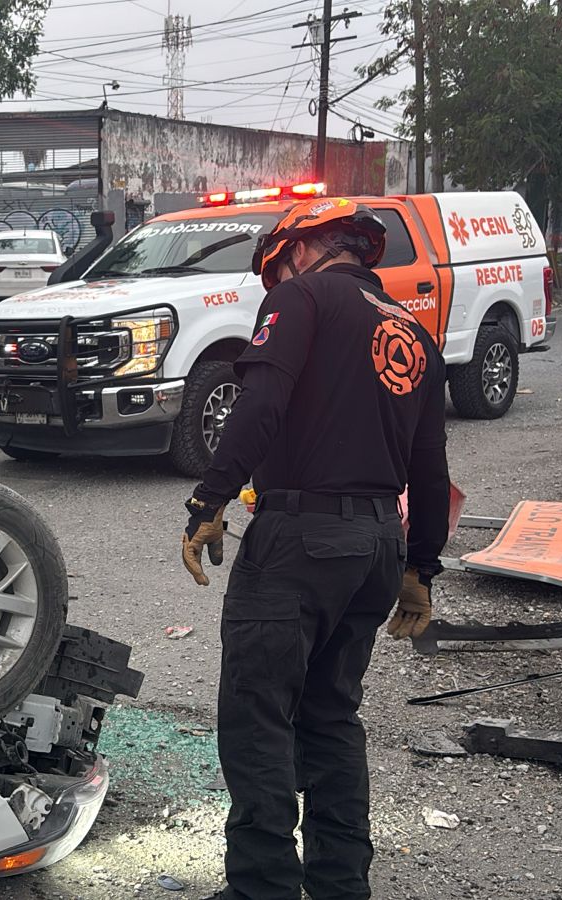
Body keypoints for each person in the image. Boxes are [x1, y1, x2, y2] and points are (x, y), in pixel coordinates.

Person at [178, 198, 450, 900]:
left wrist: (209, 501)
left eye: (279, 266)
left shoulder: (301, 300)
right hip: (377, 550)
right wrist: (420, 567)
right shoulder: (416, 336)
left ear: (302, 248)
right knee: (331, 714)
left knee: (259, 713)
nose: (279, 277)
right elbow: (429, 467)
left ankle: (261, 888)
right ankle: (340, 885)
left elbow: (259, 403)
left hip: (299, 539)